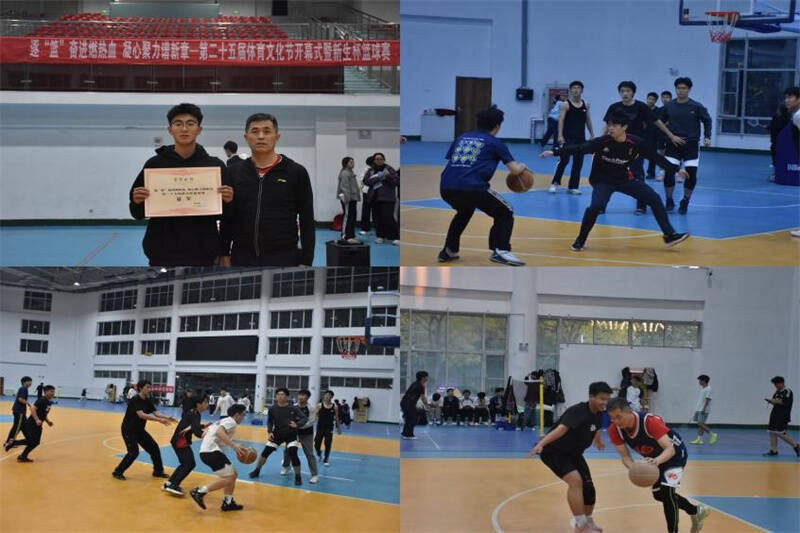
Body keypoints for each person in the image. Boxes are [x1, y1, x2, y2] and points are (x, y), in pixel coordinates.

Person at [540, 110, 690, 251]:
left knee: (654, 199)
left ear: (624, 127)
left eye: (615, 125)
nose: (610, 128)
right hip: (603, 181)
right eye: (609, 125)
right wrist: (555, 151)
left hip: (624, 179)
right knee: (595, 207)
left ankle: (669, 235)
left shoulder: (636, 143)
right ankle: (580, 240)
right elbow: (579, 148)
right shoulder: (602, 142)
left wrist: (676, 169)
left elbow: (655, 157)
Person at [129, 103, 233, 266]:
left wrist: (228, 201)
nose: (184, 129)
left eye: (190, 123)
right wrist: (137, 201)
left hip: (203, 254)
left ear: (199, 129)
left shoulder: (215, 166)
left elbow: (227, 215)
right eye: (178, 124)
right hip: (161, 253)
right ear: (170, 130)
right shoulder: (154, 165)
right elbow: (137, 213)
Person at [438, 105, 530, 266]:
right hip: (472, 187)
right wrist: (523, 166)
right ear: (497, 126)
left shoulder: (461, 138)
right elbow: (515, 170)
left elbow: (449, 163)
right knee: (505, 212)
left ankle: (449, 250)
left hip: (446, 186)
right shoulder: (495, 143)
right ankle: (501, 251)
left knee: (464, 211)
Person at [220, 113, 315, 267]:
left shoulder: (296, 172)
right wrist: (224, 252)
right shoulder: (233, 172)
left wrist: (307, 260)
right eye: (255, 131)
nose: (261, 136)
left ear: (277, 137)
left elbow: (307, 219)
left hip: (284, 257)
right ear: (246, 137)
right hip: (242, 256)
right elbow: (228, 217)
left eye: (267, 131)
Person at [607, 398, 710, 533]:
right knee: (658, 495)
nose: (615, 421)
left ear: (629, 411)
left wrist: (656, 461)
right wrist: (633, 468)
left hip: (674, 455)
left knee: (667, 493)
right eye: (612, 418)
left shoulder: (649, 422)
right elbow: (625, 457)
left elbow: (670, 449)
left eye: (618, 417)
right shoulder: (614, 430)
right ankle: (696, 511)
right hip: (654, 459)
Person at [529, 381, 612, 533]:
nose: (605, 402)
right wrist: (541, 443)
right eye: (602, 399)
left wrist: (598, 440)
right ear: (591, 397)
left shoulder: (600, 414)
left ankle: (588, 521)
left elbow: (596, 427)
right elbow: (561, 429)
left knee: (588, 488)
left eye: (607, 399)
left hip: (573, 453)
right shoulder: (578, 411)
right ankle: (580, 525)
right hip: (554, 452)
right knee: (575, 481)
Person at [602, 81, 680, 215]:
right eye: (622, 91)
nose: (625, 93)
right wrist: (601, 141)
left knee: (637, 176)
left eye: (628, 91)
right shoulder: (614, 107)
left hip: (635, 147)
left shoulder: (641, 107)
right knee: (608, 177)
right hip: (616, 146)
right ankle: (601, 204)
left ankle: (641, 205)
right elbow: (608, 125)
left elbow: (657, 121)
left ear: (633, 93)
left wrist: (671, 135)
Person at [660, 77, 712, 214]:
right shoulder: (669, 106)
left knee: (691, 174)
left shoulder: (697, 106)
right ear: (675, 89)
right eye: (678, 88)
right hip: (673, 144)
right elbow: (659, 122)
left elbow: (707, 121)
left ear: (689, 90)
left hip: (691, 145)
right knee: (669, 173)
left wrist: (707, 137)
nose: (681, 91)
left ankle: (685, 201)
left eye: (684, 88)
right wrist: (670, 136)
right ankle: (669, 199)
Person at [112, 379, 177, 481]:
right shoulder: (135, 399)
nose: (150, 389)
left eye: (150, 387)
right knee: (133, 452)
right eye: (147, 387)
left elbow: (155, 412)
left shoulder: (147, 400)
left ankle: (158, 471)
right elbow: (141, 415)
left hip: (139, 430)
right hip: (129, 430)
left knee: (154, 448)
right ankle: (117, 472)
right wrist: (160, 420)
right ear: (141, 388)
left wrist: (167, 417)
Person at [190, 404, 248, 512]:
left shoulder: (221, 421)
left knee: (234, 473)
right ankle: (199, 492)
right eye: (243, 414)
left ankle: (228, 502)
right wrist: (234, 446)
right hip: (212, 452)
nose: (244, 417)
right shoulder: (231, 422)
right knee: (230, 477)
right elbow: (219, 432)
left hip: (207, 452)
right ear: (237, 415)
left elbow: (205, 434)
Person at [249, 388, 308, 485]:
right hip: (277, 434)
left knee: (293, 454)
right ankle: (257, 470)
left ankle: (298, 476)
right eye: (278, 395)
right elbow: (270, 421)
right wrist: (269, 432)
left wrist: (297, 424)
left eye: (282, 394)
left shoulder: (293, 408)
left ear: (287, 397)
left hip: (291, 434)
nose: (280, 396)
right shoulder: (272, 409)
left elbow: (304, 418)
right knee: (265, 453)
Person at [549, 81, 595, 194]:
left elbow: (588, 119)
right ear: (570, 90)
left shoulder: (586, 104)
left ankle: (573, 186)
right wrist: (560, 135)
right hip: (567, 138)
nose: (576, 90)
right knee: (563, 161)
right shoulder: (565, 104)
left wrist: (592, 134)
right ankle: (555, 183)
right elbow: (561, 120)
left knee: (578, 163)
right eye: (573, 88)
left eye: (578, 88)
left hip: (581, 139)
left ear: (582, 90)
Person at [163, 394, 210, 495]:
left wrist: (202, 426)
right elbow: (197, 432)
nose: (207, 404)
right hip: (180, 441)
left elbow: (192, 425)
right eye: (205, 402)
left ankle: (169, 483)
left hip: (178, 440)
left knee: (185, 463)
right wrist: (209, 435)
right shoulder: (195, 414)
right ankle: (173, 485)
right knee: (190, 464)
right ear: (199, 404)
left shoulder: (194, 412)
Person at [7, 384, 56, 462]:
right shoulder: (42, 400)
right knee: (34, 442)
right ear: (46, 392)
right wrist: (36, 419)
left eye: (53, 392)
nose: (53, 393)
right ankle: (21, 453)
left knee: (33, 441)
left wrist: (48, 421)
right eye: (51, 391)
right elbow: (33, 408)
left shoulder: (48, 402)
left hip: (38, 424)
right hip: (32, 424)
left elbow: (44, 414)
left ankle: (15, 445)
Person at [281, 389, 318, 484]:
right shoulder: (293, 407)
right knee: (287, 450)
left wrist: (297, 425)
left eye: (304, 395)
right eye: (300, 395)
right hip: (293, 433)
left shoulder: (311, 408)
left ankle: (314, 475)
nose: (301, 397)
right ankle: (286, 466)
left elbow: (311, 422)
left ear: (307, 398)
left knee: (309, 454)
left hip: (307, 433)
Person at [363, 152, 400, 246]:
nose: (379, 161)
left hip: (387, 198)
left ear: (384, 160)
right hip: (374, 198)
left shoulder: (389, 169)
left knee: (388, 217)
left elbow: (396, 181)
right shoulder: (370, 170)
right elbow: (366, 181)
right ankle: (380, 236)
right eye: (377, 159)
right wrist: (379, 177)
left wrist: (388, 176)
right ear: (374, 160)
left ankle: (395, 237)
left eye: (381, 159)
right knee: (377, 218)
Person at [763, 376, 800, 457]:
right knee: (772, 431)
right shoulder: (777, 392)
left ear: (782, 383)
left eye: (777, 384)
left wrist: (775, 401)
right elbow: (775, 402)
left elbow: (785, 402)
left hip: (783, 415)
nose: (776, 386)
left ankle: (796, 446)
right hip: (775, 414)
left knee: (780, 433)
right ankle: (773, 450)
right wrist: (771, 401)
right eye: (775, 384)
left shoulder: (787, 391)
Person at [337, 156, 361, 243]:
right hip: (348, 199)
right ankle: (346, 236)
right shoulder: (345, 173)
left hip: (352, 198)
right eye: (351, 162)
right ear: (346, 163)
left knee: (352, 217)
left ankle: (351, 235)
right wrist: (347, 199)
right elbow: (344, 187)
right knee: (348, 217)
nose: (353, 163)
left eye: (353, 162)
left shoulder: (350, 172)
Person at [4, 376, 32, 450]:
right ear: (25, 382)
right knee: (16, 428)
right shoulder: (24, 389)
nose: (31, 383)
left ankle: (29, 440)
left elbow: (17, 396)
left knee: (23, 426)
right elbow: (20, 399)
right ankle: (9, 443)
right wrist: (28, 403)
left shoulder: (22, 388)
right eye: (29, 381)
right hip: (20, 411)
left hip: (19, 411)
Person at [690, 374, 717, 445]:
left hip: (703, 409)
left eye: (700, 380)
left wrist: (704, 409)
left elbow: (708, 399)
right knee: (700, 424)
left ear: (704, 381)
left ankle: (712, 434)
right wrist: (697, 408)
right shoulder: (703, 389)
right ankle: (699, 440)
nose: (699, 382)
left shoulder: (709, 389)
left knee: (700, 423)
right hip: (699, 409)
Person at [315, 390, 340, 465]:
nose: (326, 396)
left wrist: (338, 428)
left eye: (328, 395)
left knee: (328, 443)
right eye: (325, 395)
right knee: (316, 444)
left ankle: (326, 459)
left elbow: (336, 417)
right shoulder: (319, 405)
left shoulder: (335, 406)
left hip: (329, 427)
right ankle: (319, 453)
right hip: (320, 427)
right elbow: (316, 414)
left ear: (331, 397)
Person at [401, 371, 429, 438]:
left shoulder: (414, 383)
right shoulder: (421, 385)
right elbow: (423, 397)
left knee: (410, 418)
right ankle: (409, 435)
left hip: (405, 403)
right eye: (426, 377)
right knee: (413, 418)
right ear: (423, 378)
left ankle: (405, 433)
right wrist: (427, 406)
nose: (427, 378)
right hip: (408, 403)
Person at [655, 91, 673, 181]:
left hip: (673, 135)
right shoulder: (659, 110)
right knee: (660, 154)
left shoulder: (675, 109)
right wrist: (663, 126)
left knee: (674, 154)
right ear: (661, 99)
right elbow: (657, 122)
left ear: (671, 99)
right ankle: (662, 173)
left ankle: (677, 172)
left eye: (667, 97)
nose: (665, 99)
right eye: (663, 97)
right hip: (661, 135)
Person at [644, 92, 661, 179]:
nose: (650, 101)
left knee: (652, 155)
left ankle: (651, 173)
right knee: (637, 154)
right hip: (642, 134)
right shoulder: (642, 109)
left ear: (656, 101)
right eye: (649, 99)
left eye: (653, 99)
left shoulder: (658, 111)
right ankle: (637, 172)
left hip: (653, 136)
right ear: (646, 99)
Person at [359, 156, 376, 235]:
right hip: (367, 192)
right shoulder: (367, 170)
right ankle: (365, 228)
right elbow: (362, 180)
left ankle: (378, 229)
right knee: (366, 210)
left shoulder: (377, 169)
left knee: (376, 211)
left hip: (375, 192)